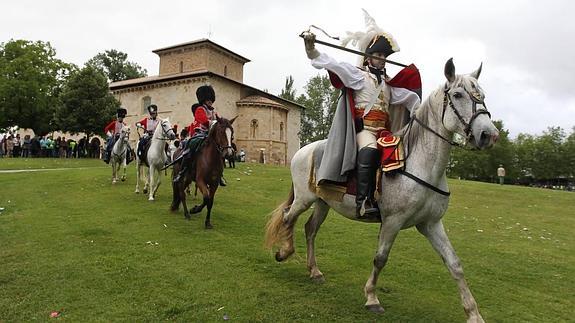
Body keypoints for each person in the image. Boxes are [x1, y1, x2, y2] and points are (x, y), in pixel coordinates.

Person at [302, 11, 420, 219]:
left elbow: (410, 99)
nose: (382, 60)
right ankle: (363, 201)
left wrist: (420, 109)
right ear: (369, 57)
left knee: (397, 153)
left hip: (383, 131)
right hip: (363, 129)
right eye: (379, 55)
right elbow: (332, 64)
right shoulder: (358, 76)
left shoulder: (389, 85)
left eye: (385, 57)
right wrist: (311, 49)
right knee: (371, 150)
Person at [173, 85, 226, 186]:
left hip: (212, 135)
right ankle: (183, 171)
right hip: (201, 134)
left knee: (220, 150)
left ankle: (220, 175)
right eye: (208, 99)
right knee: (190, 146)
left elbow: (220, 120)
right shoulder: (200, 109)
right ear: (204, 100)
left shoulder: (214, 111)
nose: (210, 101)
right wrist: (214, 123)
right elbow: (204, 121)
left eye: (211, 99)